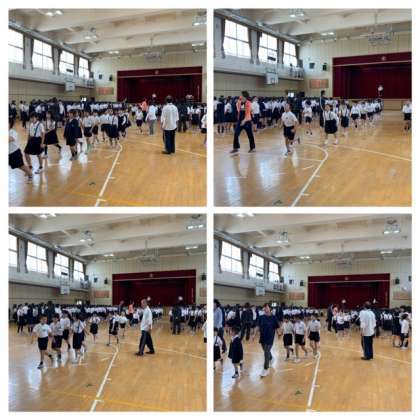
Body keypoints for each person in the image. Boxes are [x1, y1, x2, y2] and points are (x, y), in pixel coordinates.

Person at [253, 303, 280, 377]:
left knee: (266, 352)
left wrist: (279, 334)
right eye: (264, 307)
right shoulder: (261, 317)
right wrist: (254, 335)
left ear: (270, 308)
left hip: (270, 337)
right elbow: (257, 326)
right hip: (262, 337)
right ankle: (271, 358)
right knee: (265, 350)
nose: (265, 309)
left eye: (267, 307)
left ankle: (265, 368)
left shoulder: (274, 318)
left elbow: (277, 327)